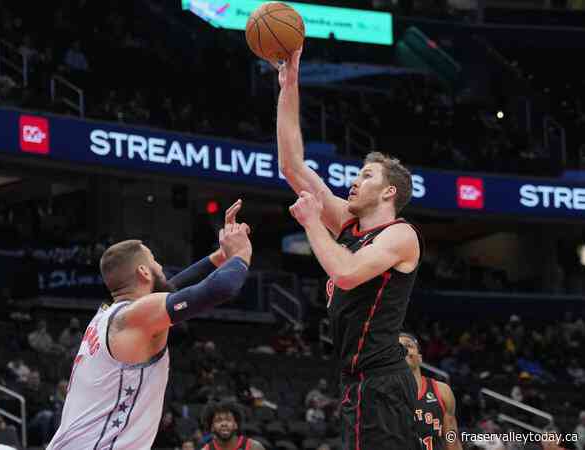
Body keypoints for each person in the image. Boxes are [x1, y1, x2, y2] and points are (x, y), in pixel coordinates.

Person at [277, 47, 423, 450]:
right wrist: (289, 86)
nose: (355, 181)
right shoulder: (348, 222)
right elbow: (292, 166)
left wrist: (310, 223)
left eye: (367, 175)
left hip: (382, 382)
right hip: (358, 381)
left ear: (389, 191)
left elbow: (346, 272)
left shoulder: (401, 235)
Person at [48, 200, 252, 450]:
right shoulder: (136, 318)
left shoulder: (107, 316)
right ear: (145, 272)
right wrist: (242, 253)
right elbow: (221, 288)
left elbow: (174, 288)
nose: (161, 268)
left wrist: (219, 258)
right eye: (156, 262)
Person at [400, 332, 462, 450]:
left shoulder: (441, 390)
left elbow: (452, 438)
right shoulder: (383, 394)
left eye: (408, 345)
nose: (403, 350)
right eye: (398, 348)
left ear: (420, 358)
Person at [200, 401, 265, 450]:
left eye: (228, 419)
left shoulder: (254, 447)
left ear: (236, 424)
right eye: (218, 420)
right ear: (212, 427)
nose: (224, 424)